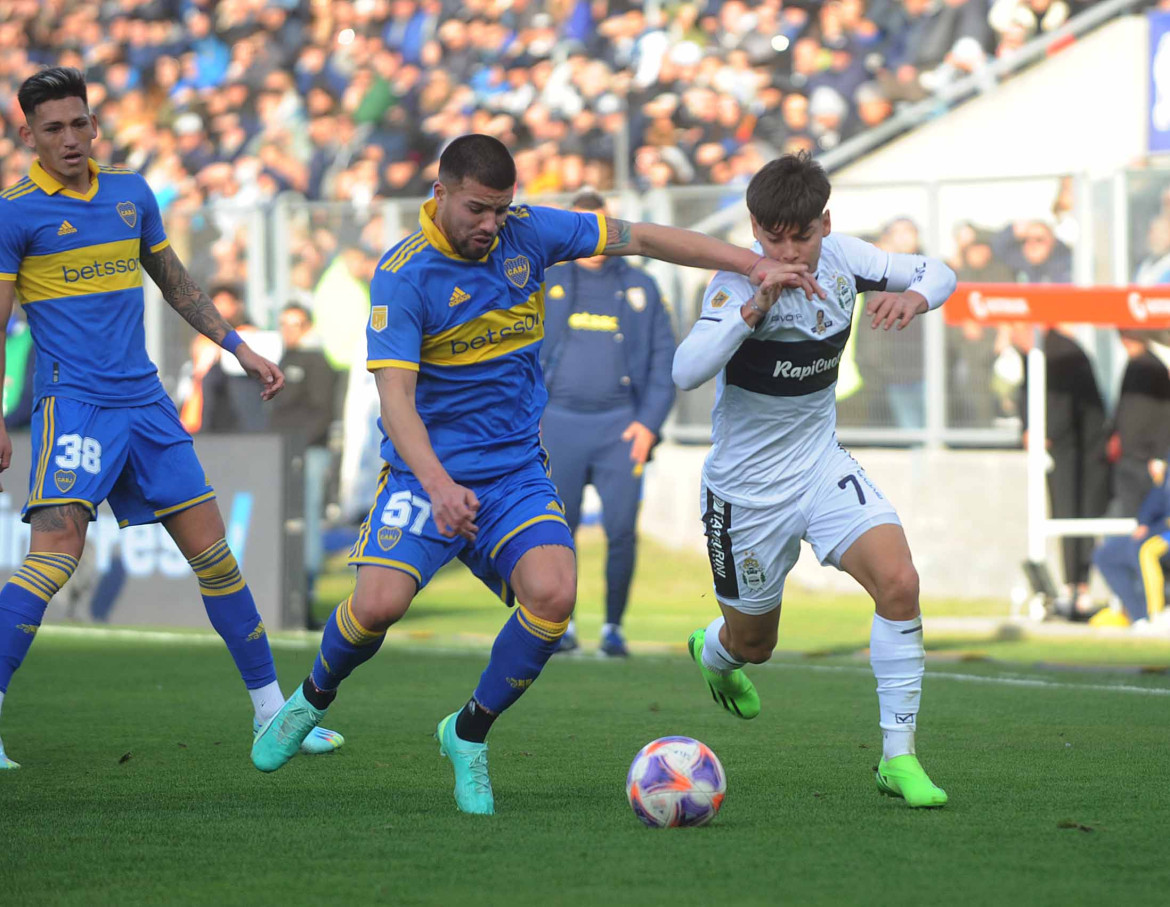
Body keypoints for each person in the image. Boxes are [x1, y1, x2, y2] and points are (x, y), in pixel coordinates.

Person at [251, 133, 808, 814]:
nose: (491, 224)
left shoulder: (528, 232)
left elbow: (641, 237)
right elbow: (394, 401)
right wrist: (437, 484)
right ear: (441, 194)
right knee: (377, 606)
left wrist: (753, 264)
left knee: (553, 594)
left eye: (501, 209)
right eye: (478, 209)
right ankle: (310, 699)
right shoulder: (403, 274)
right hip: (424, 474)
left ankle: (468, 732)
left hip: (513, 469)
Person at [0, 67, 343, 770]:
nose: (71, 138)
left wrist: (240, 348)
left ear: (95, 123)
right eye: (54, 127)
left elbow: (177, 281)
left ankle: (273, 715)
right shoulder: (15, 212)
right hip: (77, 405)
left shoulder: (130, 193)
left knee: (214, 553)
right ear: (28, 134)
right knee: (54, 557)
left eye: (80, 122)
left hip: (146, 402)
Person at [672, 152, 956, 809]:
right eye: (774, 237)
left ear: (825, 223)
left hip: (821, 463)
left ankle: (898, 757)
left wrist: (914, 298)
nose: (789, 250)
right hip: (745, 492)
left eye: (802, 234)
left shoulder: (847, 257)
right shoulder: (736, 282)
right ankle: (715, 653)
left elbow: (937, 271)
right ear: (754, 228)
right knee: (756, 643)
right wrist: (752, 311)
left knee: (900, 580)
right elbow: (686, 371)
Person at [540, 190, 677, 657]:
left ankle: (613, 628)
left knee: (621, 531)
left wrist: (648, 425)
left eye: (600, 226)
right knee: (559, 530)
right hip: (558, 426)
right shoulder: (545, 281)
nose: (592, 238)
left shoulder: (641, 285)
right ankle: (562, 624)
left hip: (621, 428)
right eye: (581, 226)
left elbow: (664, 362)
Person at [269, 303, 338, 596]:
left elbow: (322, 412)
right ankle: (284, 588)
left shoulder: (318, 362)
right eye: (283, 324)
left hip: (307, 452)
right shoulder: (283, 358)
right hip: (280, 451)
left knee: (307, 516)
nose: (287, 331)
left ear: (307, 326)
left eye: (294, 324)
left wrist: (298, 447)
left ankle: (306, 589)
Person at [1093, 457, 1170, 628]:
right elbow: (1158, 495)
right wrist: (1143, 522)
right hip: (1161, 527)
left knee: (1146, 550)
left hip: (1165, 533)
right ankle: (1140, 617)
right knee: (1106, 555)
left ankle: (1156, 615)